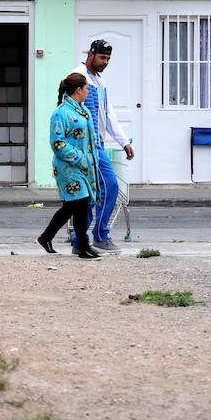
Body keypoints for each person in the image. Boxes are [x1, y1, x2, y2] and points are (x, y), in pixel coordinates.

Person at [71, 39, 135, 253]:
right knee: (108, 186)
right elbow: (68, 111)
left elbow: (108, 115)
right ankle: (98, 236)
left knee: (92, 194)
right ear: (90, 54)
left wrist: (123, 141)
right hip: (84, 146)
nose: (105, 62)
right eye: (102, 57)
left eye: (108, 58)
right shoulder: (78, 77)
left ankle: (81, 240)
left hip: (96, 144)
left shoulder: (99, 81)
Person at [37, 72, 101, 260]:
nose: (88, 91)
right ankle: (83, 247)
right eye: (87, 88)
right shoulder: (60, 113)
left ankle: (46, 237)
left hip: (84, 167)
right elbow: (57, 143)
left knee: (71, 206)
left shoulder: (83, 110)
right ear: (78, 90)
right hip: (68, 167)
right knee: (80, 203)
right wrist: (80, 157)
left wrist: (92, 160)